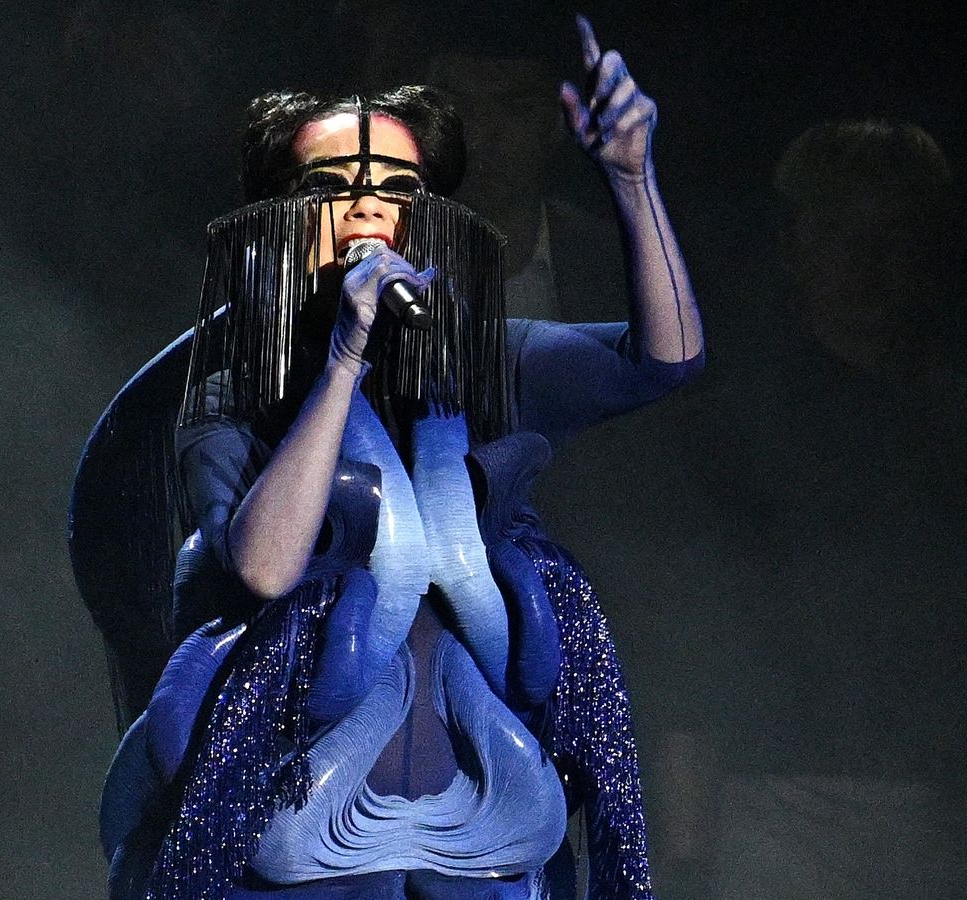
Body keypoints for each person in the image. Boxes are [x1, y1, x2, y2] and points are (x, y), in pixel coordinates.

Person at [73, 16, 703, 900]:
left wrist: (632, 180)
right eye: (332, 187)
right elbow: (264, 565)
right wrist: (343, 359)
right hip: (296, 831)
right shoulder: (229, 388)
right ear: (278, 220)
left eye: (397, 188)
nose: (369, 208)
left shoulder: (487, 364)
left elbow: (665, 361)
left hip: (472, 823)